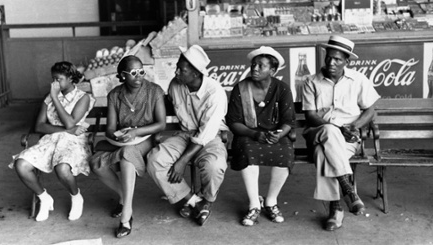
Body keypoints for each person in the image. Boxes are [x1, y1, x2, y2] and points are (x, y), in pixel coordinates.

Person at [301, 36, 380, 231]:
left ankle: (336, 210)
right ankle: (348, 188)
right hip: (318, 132)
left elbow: (370, 110)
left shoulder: (358, 79)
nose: (331, 63)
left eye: (337, 59)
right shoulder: (311, 81)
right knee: (329, 130)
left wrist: (355, 127)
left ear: (347, 61)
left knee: (322, 154)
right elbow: (310, 116)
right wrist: (336, 127)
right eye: (328, 58)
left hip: (348, 139)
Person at [147, 45, 228, 226]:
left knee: (214, 166)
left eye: (181, 70)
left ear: (196, 73)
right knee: (155, 159)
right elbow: (166, 102)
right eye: (177, 67)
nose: (176, 72)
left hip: (210, 137)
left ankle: (207, 199)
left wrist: (182, 161)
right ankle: (194, 201)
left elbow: (205, 134)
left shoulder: (215, 93)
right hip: (184, 135)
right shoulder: (176, 85)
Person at [89, 55, 166, 238]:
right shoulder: (115, 95)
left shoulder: (154, 91)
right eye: (133, 73)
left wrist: (135, 133)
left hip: (145, 139)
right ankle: (124, 196)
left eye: (141, 71)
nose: (139, 76)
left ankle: (126, 215)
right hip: (124, 141)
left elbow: (161, 124)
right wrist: (117, 135)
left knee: (127, 157)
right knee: (95, 163)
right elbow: (109, 128)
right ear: (122, 75)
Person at [10, 61, 95, 222]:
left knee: (62, 168)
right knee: (21, 164)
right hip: (50, 140)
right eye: (53, 79)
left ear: (70, 78)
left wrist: (55, 97)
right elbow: (39, 126)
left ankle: (76, 197)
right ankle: (44, 197)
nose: (55, 83)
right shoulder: (47, 98)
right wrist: (65, 129)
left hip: (74, 141)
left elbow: (70, 122)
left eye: (59, 79)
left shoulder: (83, 98)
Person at [226, 46, 295, 226]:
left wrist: (279, 135)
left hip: (274, 135)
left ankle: (271, 201)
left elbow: (289, 120)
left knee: (286, 152)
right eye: (253, 65)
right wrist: (255, 134)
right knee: (248, 150)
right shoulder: (241, 88)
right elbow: (233, 122)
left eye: (261, 66)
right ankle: (254, 204)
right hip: (248, 134)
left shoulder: (282, 89)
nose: (255, 69)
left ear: (272, 70)